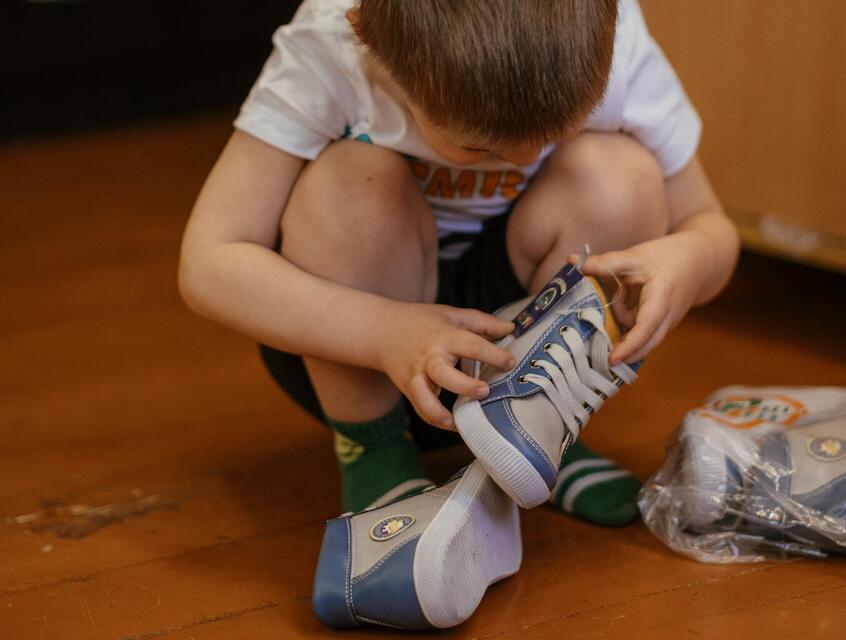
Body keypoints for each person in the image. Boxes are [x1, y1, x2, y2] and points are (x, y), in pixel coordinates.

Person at [178, 0, 739, 527]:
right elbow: (209, 262)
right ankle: (372, 447)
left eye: (557, 132)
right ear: (370, 43)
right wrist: (379, 330)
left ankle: (541, 426)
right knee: (349, 180)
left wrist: (686, 260)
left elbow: (709, 225)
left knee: (622, 176)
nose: (526, 157)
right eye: (480, 147)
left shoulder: (612, 33)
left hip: (509, 324)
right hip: (352, 348)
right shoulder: (332, 45)